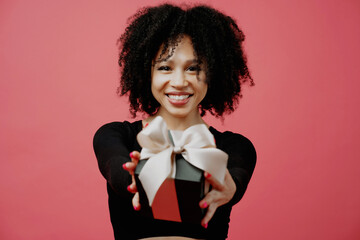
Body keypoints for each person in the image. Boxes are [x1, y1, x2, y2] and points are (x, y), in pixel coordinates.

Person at [93, 3, 256, 240]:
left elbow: (236, 179)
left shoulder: (234, 147)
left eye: (193, 68)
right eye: (165, 67)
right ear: (146, 73)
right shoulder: (116, 136)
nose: (179, 82)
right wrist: (135, 178)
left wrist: (228, 186)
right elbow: (116, 170)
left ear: (214, 73)